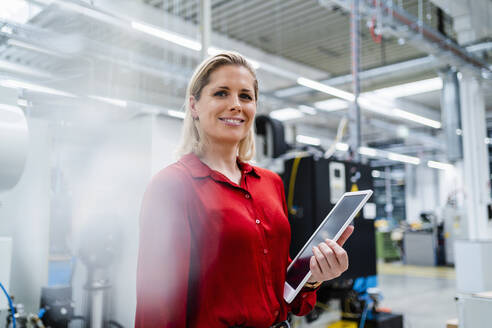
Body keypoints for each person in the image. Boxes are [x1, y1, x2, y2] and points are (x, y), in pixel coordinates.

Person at [135, 51, 354, 328]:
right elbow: (157, 307)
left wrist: (313, 276)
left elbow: (284, 292)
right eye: (221, 93)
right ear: (194, 105)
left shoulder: (270, 183)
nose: (236, 105)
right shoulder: (172, 186)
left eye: (245, 96)